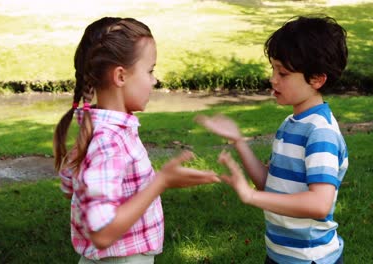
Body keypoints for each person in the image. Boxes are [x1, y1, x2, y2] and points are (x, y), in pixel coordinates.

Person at [53, 17, 219, 263]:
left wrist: (166, 181)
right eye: (150, 70)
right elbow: (101, 232)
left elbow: (71, 188)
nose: (154, 80)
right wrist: (160, 182)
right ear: (120, 76)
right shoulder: (108, 141)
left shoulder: (96, 130)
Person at [196, 15, 348, 264]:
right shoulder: (291, 124)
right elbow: (270, 184)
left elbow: (320, 203)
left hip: (309, 259)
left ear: (317, 79)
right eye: (273, 69)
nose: (273, 79)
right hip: (280, 254)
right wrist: (239, 142)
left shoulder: (320, 132)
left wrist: (251, 197)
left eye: (284, 73)